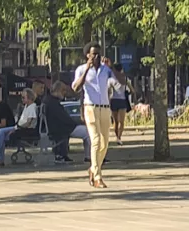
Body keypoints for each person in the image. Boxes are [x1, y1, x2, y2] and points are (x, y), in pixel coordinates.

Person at [72, 42, 126, 188]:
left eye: (98, 54)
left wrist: (112, 67)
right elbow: (76, 88)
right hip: (90, 107)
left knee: (104, 143)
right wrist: (87, 69)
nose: (96, 56)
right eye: (93, 54)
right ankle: (97, 176)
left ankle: (92, 168)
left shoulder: (105, 70)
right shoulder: (81, 69)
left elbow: (122, 81)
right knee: (95, 140)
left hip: (105, 108)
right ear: (87, 55)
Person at [45, 81, 91, 164]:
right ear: (59, 90)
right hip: (62, 128)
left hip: (58, 127)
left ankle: (88, 156)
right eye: (64, 91)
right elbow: (63, 118)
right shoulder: (54, 103)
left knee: (86, 131)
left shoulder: (49, 101)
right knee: (88, 133)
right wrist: (76, 122)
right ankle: (89, 156)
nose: (65, 93)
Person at [0, 88, 37, 166]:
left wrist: (16, 128)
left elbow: (28, 122)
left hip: (25, 129)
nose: (22, 99)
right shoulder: (26, 106)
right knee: (2, 135)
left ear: (30, 98)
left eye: (23, 97)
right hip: (19, 127)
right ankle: (0, 160)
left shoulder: (32, 107)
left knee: (1, 131)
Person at [109, 63, 130, 144]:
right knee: (121, 121)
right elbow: (132, 90)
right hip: (122, 100)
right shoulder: (125, 79)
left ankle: (117, 137)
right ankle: (119, 137)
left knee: (116, 121)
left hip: (114, 100)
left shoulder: (111, 80)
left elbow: (108, 91)